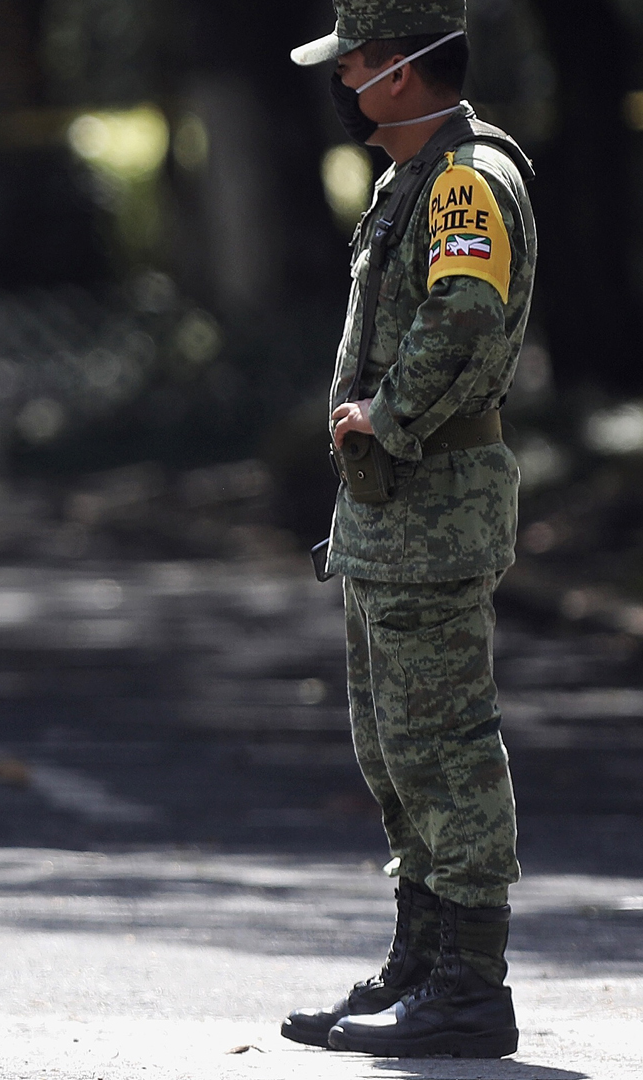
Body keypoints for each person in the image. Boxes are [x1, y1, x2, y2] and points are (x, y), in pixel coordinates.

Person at [282, 0, 535, 1060]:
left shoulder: (467, 177)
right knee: (392, 749)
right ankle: (423, 960)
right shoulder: (412, 178)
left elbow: (464, 316)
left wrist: (385, 416)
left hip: (435, 502)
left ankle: (473, 982)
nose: (344, 86)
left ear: (404, 70)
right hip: (393, 511)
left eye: (356, 67)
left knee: (445, 747)